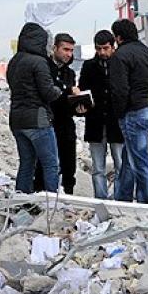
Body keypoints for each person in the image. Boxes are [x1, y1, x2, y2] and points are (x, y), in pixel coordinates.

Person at [109, 18, 148, 204]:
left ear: (118, 37)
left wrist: (120, 113)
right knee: (129, 157)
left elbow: (120, 90)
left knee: (139, 162)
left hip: (134, 113)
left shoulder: (120, 56)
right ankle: (122, 197)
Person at [7, 22, 62, 193]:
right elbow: (47, 92)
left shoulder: (14, 61)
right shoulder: (39, 62)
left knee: (26, 163)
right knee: (51, 163)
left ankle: (21, 200)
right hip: (37, 119)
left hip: (16, 119)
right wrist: (59, 90)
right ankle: (53, 202)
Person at [33, 32, 85, 193]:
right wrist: (67, 90)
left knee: (69, 163)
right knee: (45, 164)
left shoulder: (69, 73)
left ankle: (68, 195)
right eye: (65, 49)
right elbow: (50, 93)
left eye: (71, 50)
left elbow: (67, 98)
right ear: (55, 48)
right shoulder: (45, 67)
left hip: (65, 122)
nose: (68, 54)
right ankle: (42, 196)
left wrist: (78, 107)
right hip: (47, 121)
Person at [79, 30, 123, 199]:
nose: (102, 53)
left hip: (116, 123)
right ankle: (101, 199)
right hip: (95, 122)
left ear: (113, 46)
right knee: (98, 168)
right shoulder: (89, 66)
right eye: (99, 49)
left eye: (105, 48)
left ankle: (120, 199)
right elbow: (82, 89)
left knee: (120, 164)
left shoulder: (120, 63)